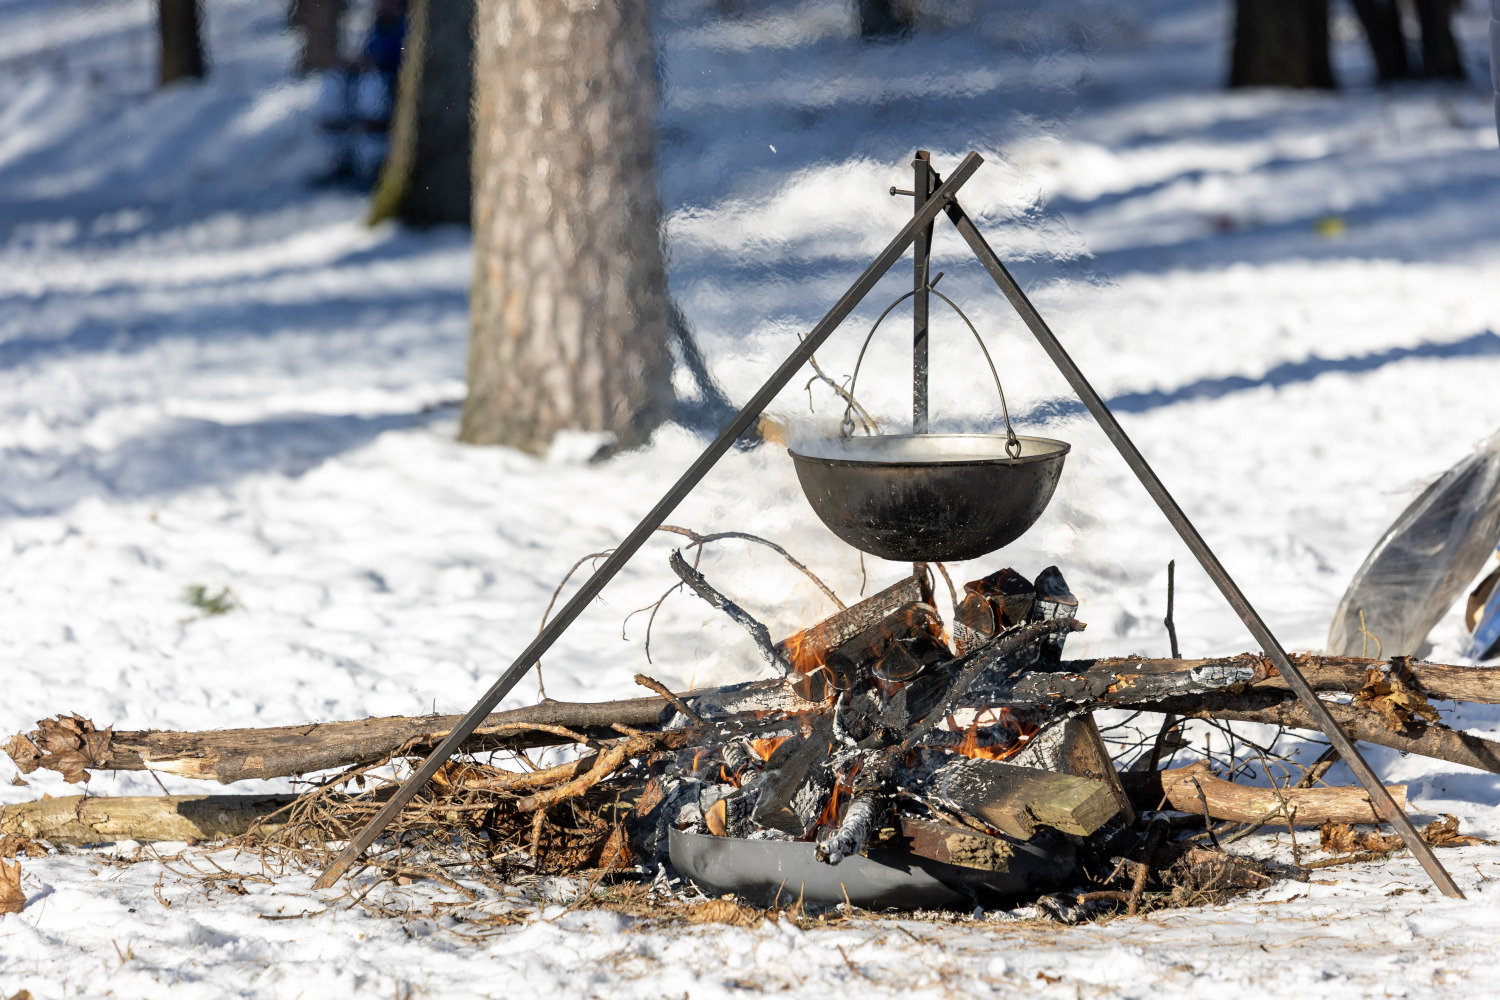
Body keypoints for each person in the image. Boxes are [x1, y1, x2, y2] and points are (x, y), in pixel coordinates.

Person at [314, 0, 407, 186]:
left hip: (388, 84)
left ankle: (374, 165)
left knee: (370, 89)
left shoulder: (406, 26)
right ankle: (340, 160)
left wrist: (378, 65)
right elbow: (366, 54)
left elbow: (400, 61)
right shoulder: (374, 27)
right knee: (333, 82)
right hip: (366, 77)